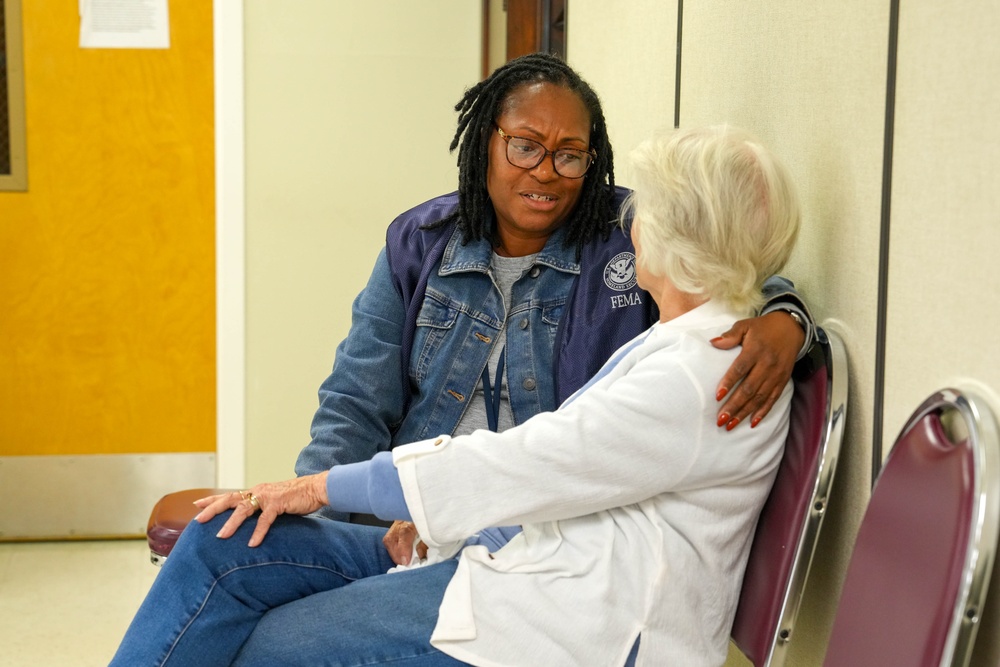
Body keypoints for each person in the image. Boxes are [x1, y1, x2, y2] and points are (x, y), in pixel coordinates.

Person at [111, 123, 801, 666]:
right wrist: (430, 512)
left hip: (562, 621)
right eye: (523, 146)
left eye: (568, 155)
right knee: (220, 542)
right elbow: (563, 470)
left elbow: (534, 462)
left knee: (261, 645)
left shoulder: (708, 363)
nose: (631, 221)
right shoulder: (688, 344)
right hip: (488, 546)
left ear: (669, 232)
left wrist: (326, 487)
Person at [292, 53, 811, 562]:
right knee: (234, 553)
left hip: (537, 546)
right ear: (485, 143)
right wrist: (311, 526)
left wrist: (787, 316)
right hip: (401, 524)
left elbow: (734, 268)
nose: (545, 172)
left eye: (569, 154)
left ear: (593, 159)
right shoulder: (419, 243)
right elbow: (353, 403)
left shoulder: (632, 233)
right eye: (525, 146)